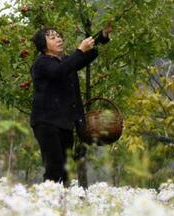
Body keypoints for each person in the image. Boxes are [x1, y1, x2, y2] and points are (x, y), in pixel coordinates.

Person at [29, 24, 112, 184]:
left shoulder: (65, 61)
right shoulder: (41, 63)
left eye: (59, 36)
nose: (59, 39)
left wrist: (101, 36)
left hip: (65, 124)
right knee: (55, 167)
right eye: (52, 38)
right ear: (43, 46)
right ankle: (48, 202)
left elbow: (84, 57)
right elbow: (59, 71)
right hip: (46, 123)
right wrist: (80, 50)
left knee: (65, 170)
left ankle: (62, 204)